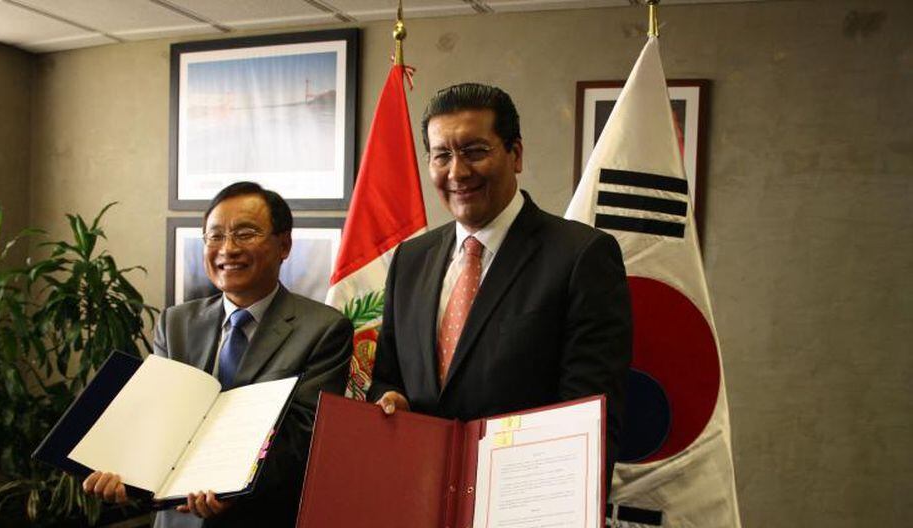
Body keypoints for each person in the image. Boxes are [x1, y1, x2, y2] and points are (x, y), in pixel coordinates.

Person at [368, 83, 632, 481]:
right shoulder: (410, 259)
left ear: (516, 154)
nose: (457, 172)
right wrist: (391, 400)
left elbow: (590, 417)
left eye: (475, 151)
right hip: (419, 488)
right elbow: (387, 378)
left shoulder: (581, 256)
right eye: (442, 155)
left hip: (524, 495)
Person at [83, 182, 354, 527]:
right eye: (215, 236)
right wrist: (127, 472)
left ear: (284, 245)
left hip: (259, 516)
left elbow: (303, 437)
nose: (228, 249)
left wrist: (229, 488)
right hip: (178, 520)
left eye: (245, 233)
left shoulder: (323, 329)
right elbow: (158, 419)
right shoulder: (176, 323)